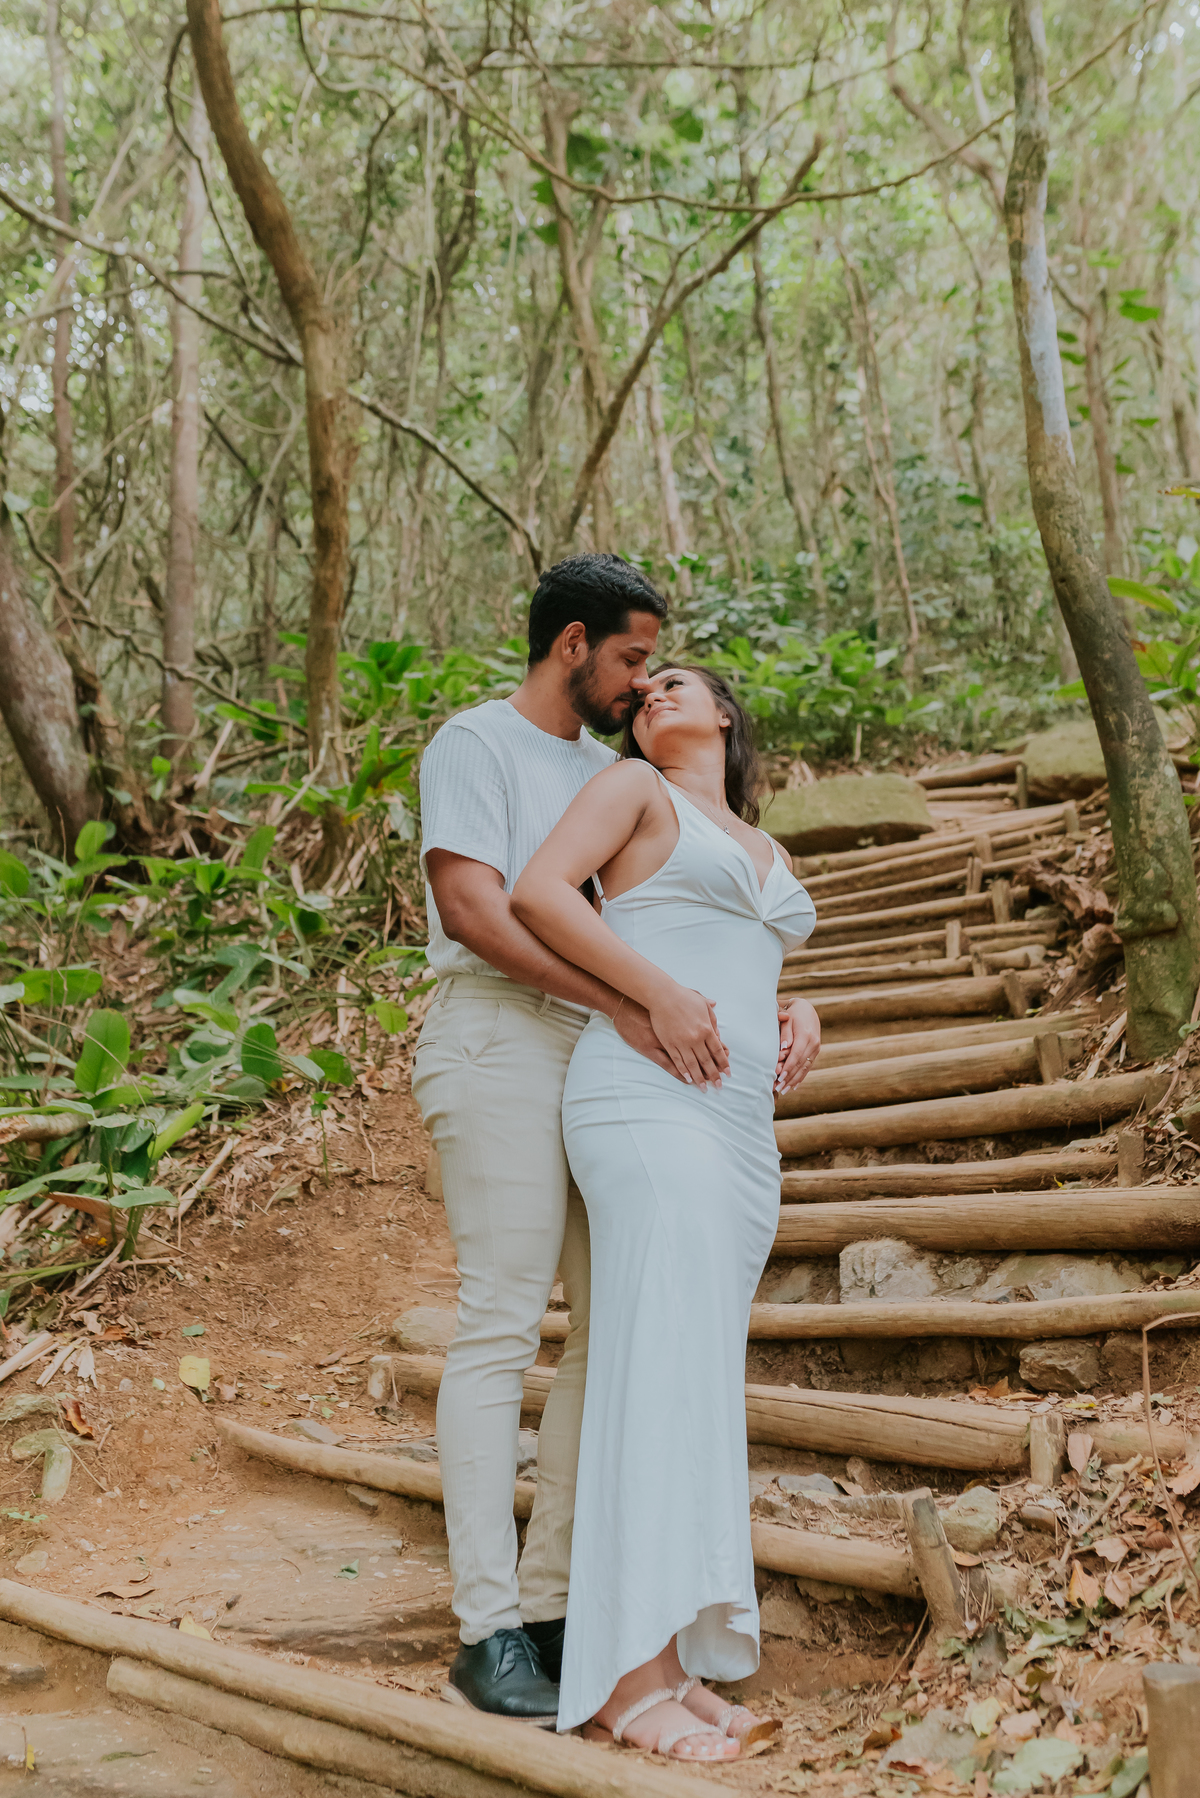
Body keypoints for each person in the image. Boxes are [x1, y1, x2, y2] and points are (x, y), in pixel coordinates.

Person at [413, 554, 715, 1725]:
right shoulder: (474, 743)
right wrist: (612, 1002)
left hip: (593, 1057)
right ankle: (484, 1626)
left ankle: (550, 1605)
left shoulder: (611, 774)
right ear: (573, 642)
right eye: (634, 660)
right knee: (499, 1318)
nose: (643, 686)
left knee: (601, 1322)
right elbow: (472, 908)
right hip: (494, 1038)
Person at [511, 663, 820, 1760]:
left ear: (730, 713)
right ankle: (620, 1680)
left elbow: (739, 945)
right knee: (648, 1368)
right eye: (642, 688)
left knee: (692, 1380)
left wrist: (797, 1007)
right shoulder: (633, 790)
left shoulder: (766, 846)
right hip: (645, 1096)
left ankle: (675, 1659)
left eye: (677, 682)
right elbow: (538, 894)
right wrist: (656, 992)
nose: (652, 694)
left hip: (741, 1127)